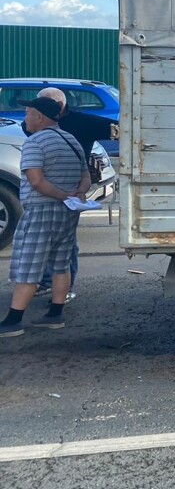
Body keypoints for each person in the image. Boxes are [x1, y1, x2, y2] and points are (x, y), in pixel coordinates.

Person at [0, 96, 90, 338]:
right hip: (68, 213)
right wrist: (77, 194)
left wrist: (61, 194)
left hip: (41, 211)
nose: (25, 118)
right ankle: (55, 314)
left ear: (39, 117)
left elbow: (36, 181)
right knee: (61, 263)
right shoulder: (71, 140)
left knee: (29, 265)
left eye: (28, 113)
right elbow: (86, 176)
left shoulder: (34, 143)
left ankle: (13, 320)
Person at [23, 87, 117, 300]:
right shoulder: (31, 126)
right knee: (50, 242)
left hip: (72, 189)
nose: (27, 116)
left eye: (38, 105)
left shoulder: (84, 122)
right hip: (52, 189)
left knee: (65, 242)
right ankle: (49, 282)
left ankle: (64, 288)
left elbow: (121, 131)